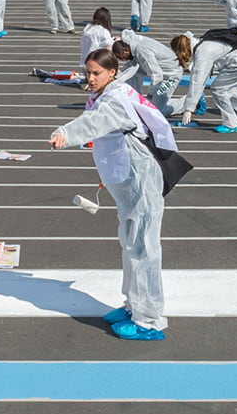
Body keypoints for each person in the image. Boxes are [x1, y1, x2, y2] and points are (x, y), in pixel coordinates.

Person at [49, 48, 178, 341]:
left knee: (144, 247)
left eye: (97, 73)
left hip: (141, 180)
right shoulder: (110, 95)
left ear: (112, 73)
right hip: (129, 180)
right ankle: (133, 305)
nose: (90, 78)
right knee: (131, 243)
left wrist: (64, 134)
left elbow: (93, 124)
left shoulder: (114, 101)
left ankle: (149, 320)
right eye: (88, 72)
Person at [172, 30, 237, 132]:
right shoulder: (203, 42)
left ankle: (232, 124)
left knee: (218, 90)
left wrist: (188, 109)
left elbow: (198, 81)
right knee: (223, 88)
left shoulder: (202, 52)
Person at [119, 26, 182, 115]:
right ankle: (135, 99)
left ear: (126, 50)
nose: (123, 60)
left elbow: (157, 74)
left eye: (123, 57)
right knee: (129, 67)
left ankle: (188, 103)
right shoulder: (132, 43)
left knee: (158, 110)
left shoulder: (142, 51)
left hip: (171, 78)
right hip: (163, 71)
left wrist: (150, 95)